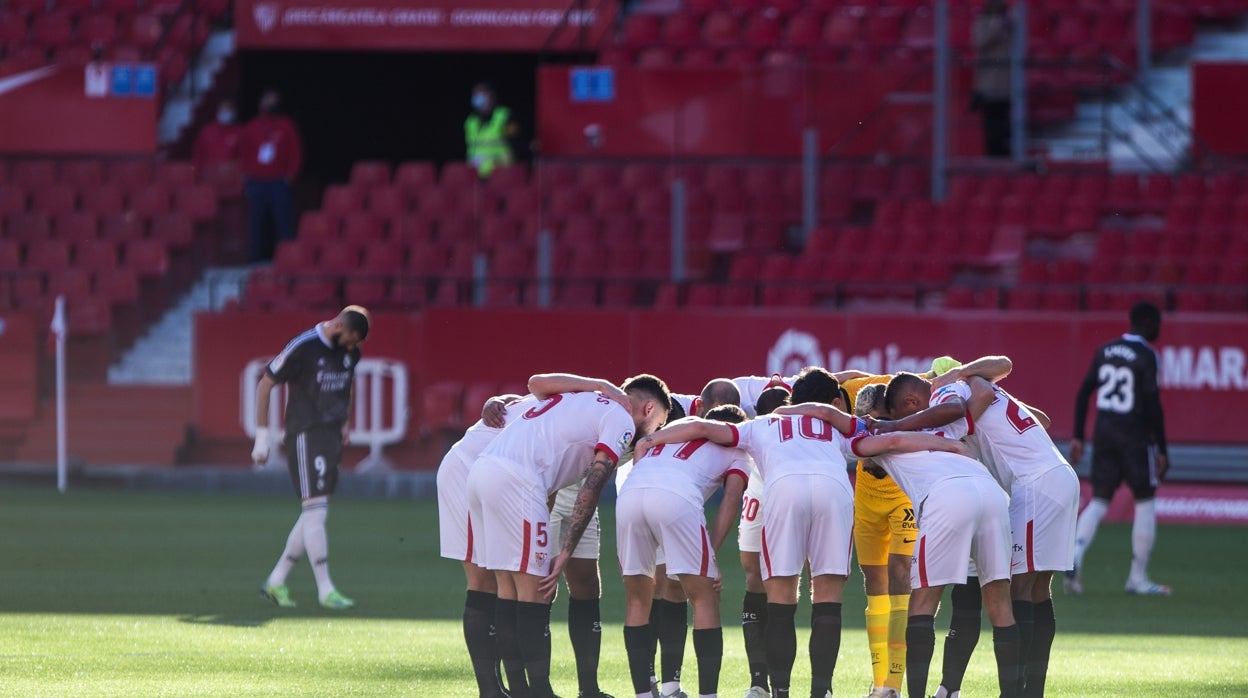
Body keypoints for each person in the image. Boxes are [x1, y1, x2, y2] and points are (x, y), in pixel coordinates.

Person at [639, 368, 970, 698]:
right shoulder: (838, 425)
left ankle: (781, 691)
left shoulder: (762, 424)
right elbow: (894, 440)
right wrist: (950, 445)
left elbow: (701, 426)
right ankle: (821, 691)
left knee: (781, 597)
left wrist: (652, 439)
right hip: (834, 490)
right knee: (828, 596)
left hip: (784, 489)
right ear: (832, 401)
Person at [786, 375, 1024, 698]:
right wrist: (952, 444)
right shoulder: (939, 423)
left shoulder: (871, 432)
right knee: (1000, 605)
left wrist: (780, 417)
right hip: (990, 493)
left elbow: (833, 418)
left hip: (945, 496)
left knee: (922, 603)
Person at [469, 375, 671, 698]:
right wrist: (563, 552)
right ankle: (538, 692)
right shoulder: (621, 421)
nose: (657, 432)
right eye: (659, 424)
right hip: (520, 482)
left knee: (508, 589)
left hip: (484, 474)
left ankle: (524, 692)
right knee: (533, 592)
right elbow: (592, 487)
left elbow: (535, 382)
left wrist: (602, 385)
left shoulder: (585, 396)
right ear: (648, 409)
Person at [437, 374, 628, 698]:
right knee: (491, 581)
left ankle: (511, 690)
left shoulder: (565, 404)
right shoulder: (605, 414)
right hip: (474, 469)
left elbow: (534, 387)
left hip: (497, 474)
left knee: (508, 582)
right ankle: (502, 690)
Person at [618, 404, 751, 698]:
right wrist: (711, 553)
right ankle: (707, 695)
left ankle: (644, 693)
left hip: (630, 492)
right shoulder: (739, 450)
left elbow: (643, 451)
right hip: (676, 496)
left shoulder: (679, 429)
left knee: (638, 600)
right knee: (704, 598)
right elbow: (731, 500)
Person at [252, 305, 371, 610]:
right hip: (305, 434)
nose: (351, 348)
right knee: (316, 513)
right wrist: (262, 437)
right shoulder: (303, 347)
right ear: (340, 327)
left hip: (330, 436)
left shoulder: (349, 352)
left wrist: (345, 420)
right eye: (350, 340)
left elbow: (348, 382)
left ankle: (276, 581)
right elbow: (265, 384)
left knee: (313, 514)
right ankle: (325, 589)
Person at [1068, 300, 1171, 596]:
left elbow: (1084, 392)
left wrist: (1078, 435)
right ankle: (1137, 579)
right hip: (1135, 436)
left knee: (1099, 500)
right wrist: (1162, 448)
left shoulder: (1105, 350)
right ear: (1149, 323)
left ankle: (1073, 557)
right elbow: (1153, 405)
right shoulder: (1147, 356)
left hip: (1103, 433)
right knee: (1145, 500)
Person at [240, 89, 302, 262]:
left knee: (283, 221)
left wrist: (291, 174)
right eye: (268, 100)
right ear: (261, 103)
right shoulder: (251, 127)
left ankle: (287, 258)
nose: (270, 104)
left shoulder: (286, 126)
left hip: (278, 182)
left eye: (274, 101)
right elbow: (243, 153)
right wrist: (246, 174)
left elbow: (295, 152)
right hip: (256, 182)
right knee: (255, 222)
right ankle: (254, 259)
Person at [972, 0, 1013, 158]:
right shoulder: (982, 22)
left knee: (1006, 124)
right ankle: (993, 158)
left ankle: (1006, 155)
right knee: (992, 125)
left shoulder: (1011, 22)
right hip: (989, 84)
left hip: (1008, 83)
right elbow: (979, 42)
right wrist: (997, 25)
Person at [465, 83, 517, 179]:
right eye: (475, 95)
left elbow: (516, 143)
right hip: (476, 175)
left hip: (500, 174)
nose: (477, 98)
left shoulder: (505, 117)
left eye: (481, 94)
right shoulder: (470, 122)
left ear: (491, 96)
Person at [192, 98, 242, 171]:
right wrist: (197, 171)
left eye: (228, 109)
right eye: (223, 109)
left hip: (230, 176)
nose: (225, 112)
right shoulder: (207, 131)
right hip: (208, 174)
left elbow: (243, 156)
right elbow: (198, 153)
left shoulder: (239, 132)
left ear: (234, 112)